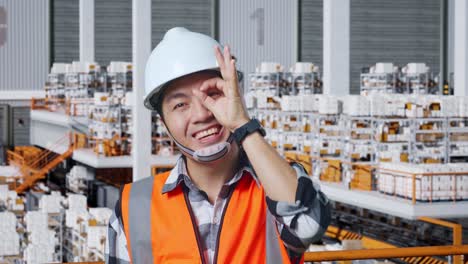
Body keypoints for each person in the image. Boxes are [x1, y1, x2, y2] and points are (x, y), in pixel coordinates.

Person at [105, 27, 331, 264]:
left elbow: (310, 225)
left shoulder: (275, 185)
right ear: (163, 122)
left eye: (212, 94)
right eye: (180, 105)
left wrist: (242, 124)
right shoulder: (134, 206)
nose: (202, 114)